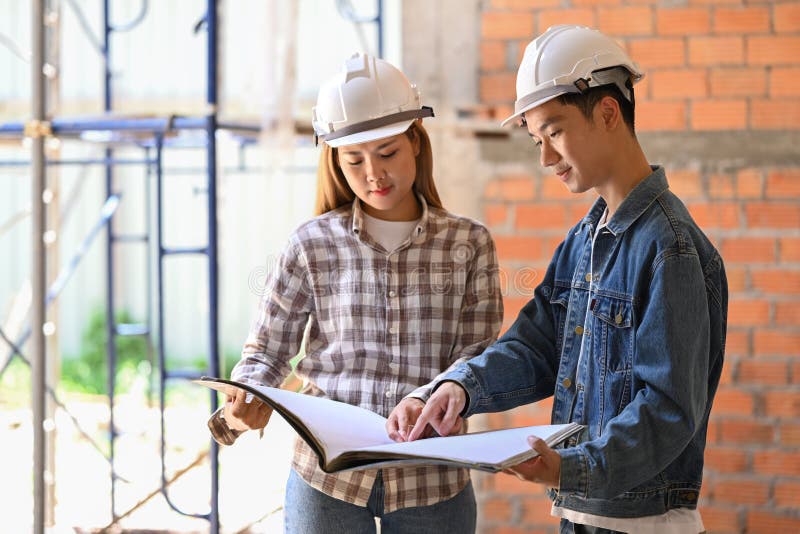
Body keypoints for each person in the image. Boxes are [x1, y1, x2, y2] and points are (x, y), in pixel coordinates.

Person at [392, 25, 728, 534]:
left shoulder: (669, 247)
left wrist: (571, 466)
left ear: (608, 113)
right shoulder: (586, 239)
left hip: (643, 523)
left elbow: (669, 409)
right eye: (535, 140)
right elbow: (537, 347)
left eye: (555, 132)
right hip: (583, 513)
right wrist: (458, 388)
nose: (545, 157)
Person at [207, 52, 503, 534]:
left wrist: (436, 399)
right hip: (326, 481)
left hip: (431, 479)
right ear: (335, 161)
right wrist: (248, 395)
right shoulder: (311, 243)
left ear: (415, 141)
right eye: (354, 160)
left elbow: (477, 356)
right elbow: (267, 350)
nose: (374, 174)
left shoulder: (469, 244)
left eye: (388, 152)